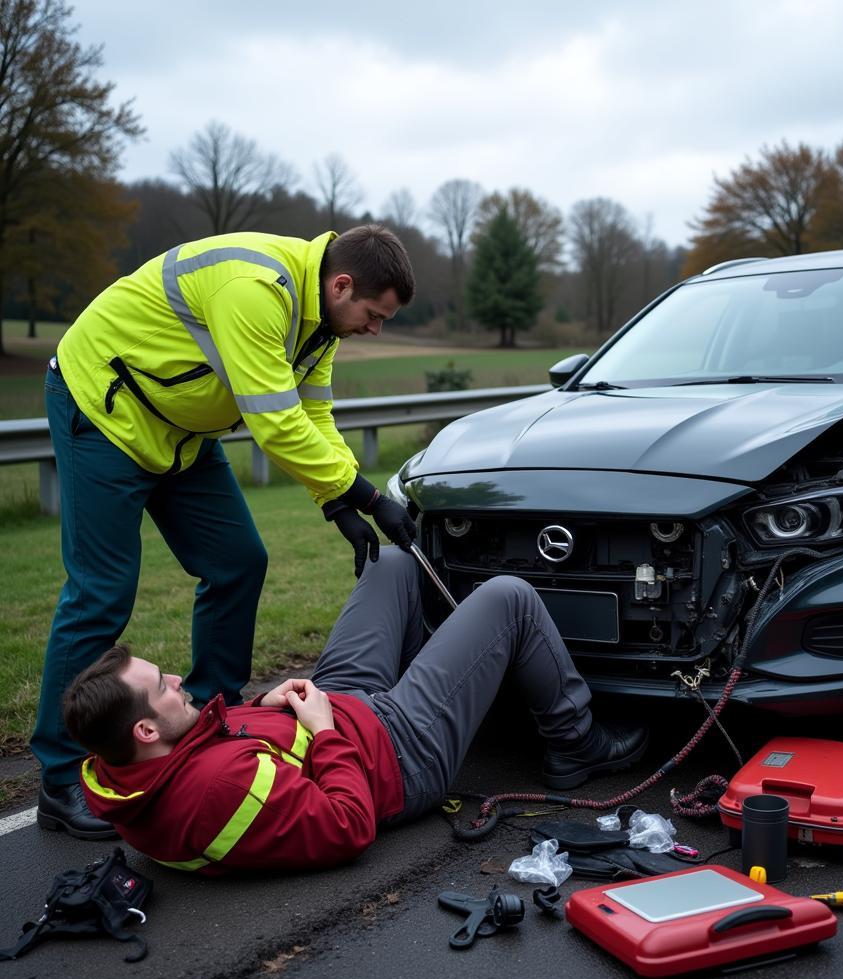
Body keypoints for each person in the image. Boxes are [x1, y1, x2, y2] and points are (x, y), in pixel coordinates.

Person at [35, 225, 418, 840]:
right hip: (106, 409)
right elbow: (274, 423)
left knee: (239, 560)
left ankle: (209, 714)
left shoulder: (321, 318)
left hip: (180, 430)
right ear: (342, 284)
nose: (375, 329)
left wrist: (335, 499)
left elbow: (311, 412)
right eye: (373, 316)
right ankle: (59, 778)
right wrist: (367, 496)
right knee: (102, 588)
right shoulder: (255, 287)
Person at [63, 548, 649, 874]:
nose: (173, 678)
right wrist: (320, 731)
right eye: (160, 686)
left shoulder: (129, 763)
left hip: (337, 708)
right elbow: (347, 826)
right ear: (144, 729)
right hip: (398, 750)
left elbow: (216, 745)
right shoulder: (218, 790)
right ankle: (577, 742)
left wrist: (262, 706)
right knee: (509, 597)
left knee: (388, 562)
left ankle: (466, 681)